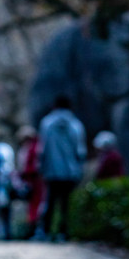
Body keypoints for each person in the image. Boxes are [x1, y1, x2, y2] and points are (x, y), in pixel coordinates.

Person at [38, 96, 87, 242]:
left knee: (50, 202)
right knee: (66, 204)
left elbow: (42, 150)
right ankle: (63, 233)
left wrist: (42, 167)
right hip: (70, 172)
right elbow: (80, 151)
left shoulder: (46, 123)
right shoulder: (76, 125)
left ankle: (46, 232)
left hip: (51, 171)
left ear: (54, 106)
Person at [16, 126, 45, 240]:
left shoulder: (34, 148)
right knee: (33, 205)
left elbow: (31, 166)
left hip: (34, 179)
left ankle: (35, 229)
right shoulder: (31, 147)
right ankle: (32, 229)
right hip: (31, 179)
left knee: (36, 205)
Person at [0, 142, 15, 240]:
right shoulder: (8, 168)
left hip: (2, 191)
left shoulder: (3, 168)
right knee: (4, 213)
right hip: (4, 191)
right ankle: (4, 233)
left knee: (2, 213)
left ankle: (3, 233)